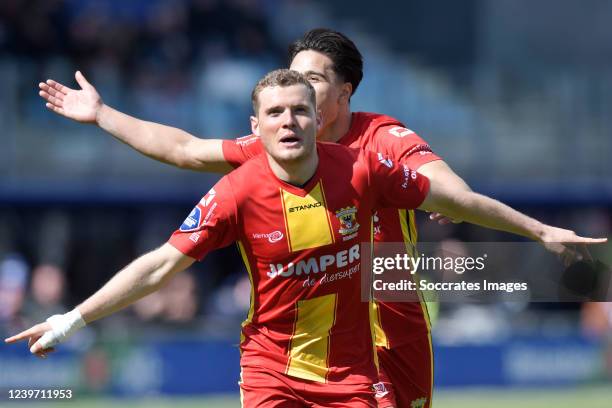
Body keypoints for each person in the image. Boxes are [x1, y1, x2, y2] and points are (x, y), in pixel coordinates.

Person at [34, 30, 601, 408]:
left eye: (312, 81)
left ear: (343, 92)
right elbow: (183, 149)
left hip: (389, 319)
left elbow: (452, 193)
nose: (296, 91)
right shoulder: (269, 150)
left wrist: (539, 229)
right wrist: (104, 115)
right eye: (287, 80)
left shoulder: (379, 145)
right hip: (290, 349)